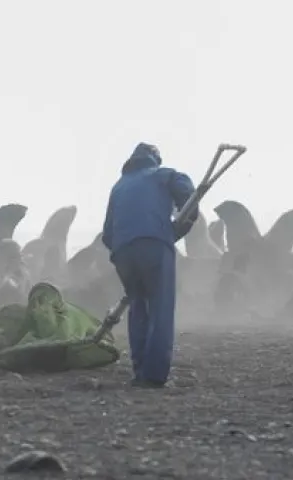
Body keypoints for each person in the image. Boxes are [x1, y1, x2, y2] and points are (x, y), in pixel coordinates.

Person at [101, 142, 199, 388]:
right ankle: (154, 375)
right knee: (160, 307)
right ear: (155, 159)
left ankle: (140, 370)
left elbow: (106, 234)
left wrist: (122, 251)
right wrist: (176, 230)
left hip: (122, 251)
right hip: (154, 245)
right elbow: (189, 199)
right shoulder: (164, 175)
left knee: (138, 306)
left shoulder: (119, 187)